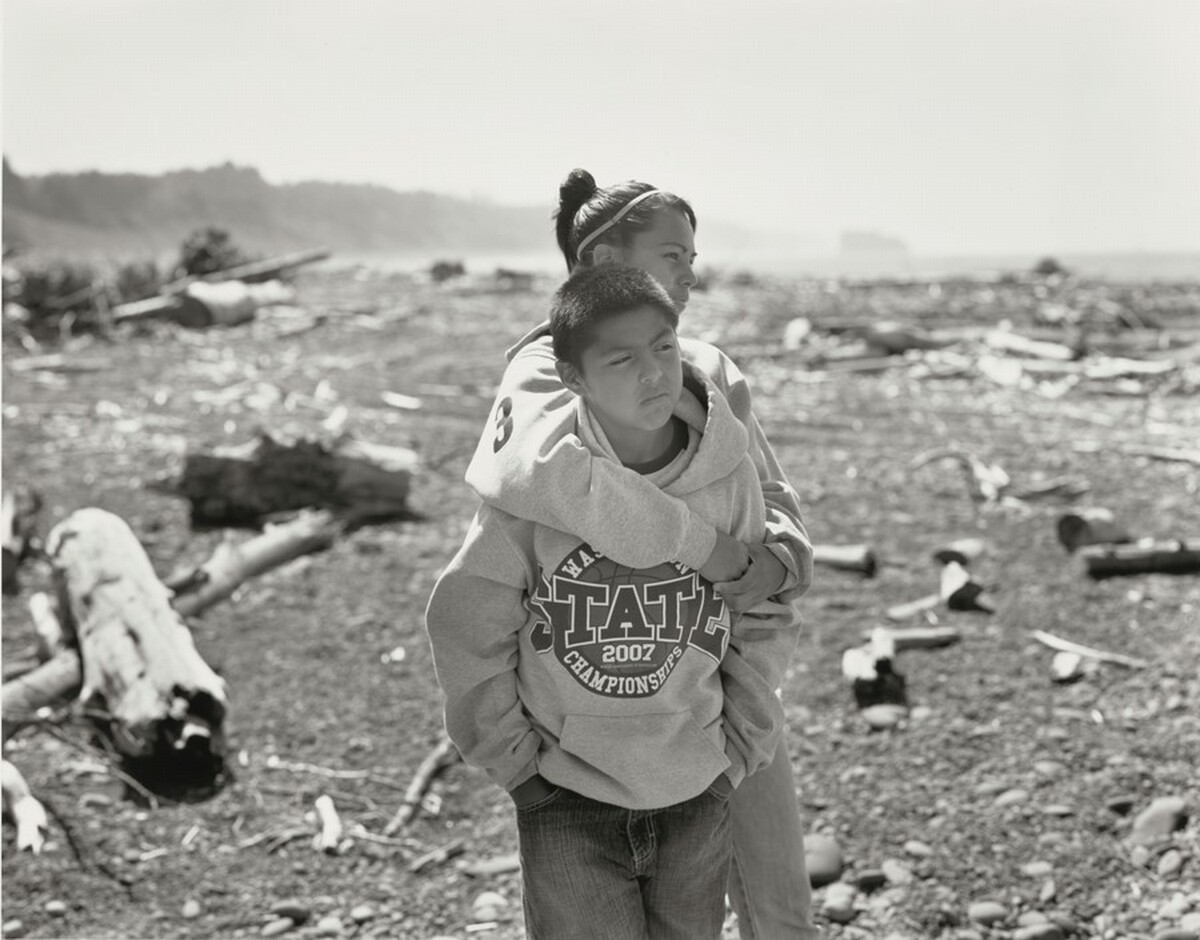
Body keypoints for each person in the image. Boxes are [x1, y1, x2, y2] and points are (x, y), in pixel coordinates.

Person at [462, 169, 821, 940]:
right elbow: (551, 479)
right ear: (601, 259)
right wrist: (707, 548)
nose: (689, 275)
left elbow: (772, 495)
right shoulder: (540, 372)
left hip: (725, 683)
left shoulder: (710, 369)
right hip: (611, 709)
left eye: (693, 258)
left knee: (779, 900)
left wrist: (781, 559)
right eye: (671, 255)